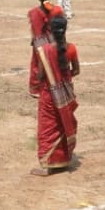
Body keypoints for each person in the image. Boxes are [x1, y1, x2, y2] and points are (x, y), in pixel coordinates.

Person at [31, 15, 79, 176]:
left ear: (50, 30)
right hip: (65, 95)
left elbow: (40, 76)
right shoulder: (71, 48)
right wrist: (64, 79)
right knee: (63, 125)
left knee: (47, 129)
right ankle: (63, 159)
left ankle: (48, 166)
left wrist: (51, 78)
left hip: (49, 96)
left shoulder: (45, 51)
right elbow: (76, 70)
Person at [27, 0, 65, 97]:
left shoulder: (33, 12)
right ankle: (52, 87)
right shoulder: (56, 9)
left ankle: (35, 89)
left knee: (36, 65)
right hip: (51, 41)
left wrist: (33, 40)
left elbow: (33, 29)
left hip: (38, 42)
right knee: (52, 63)